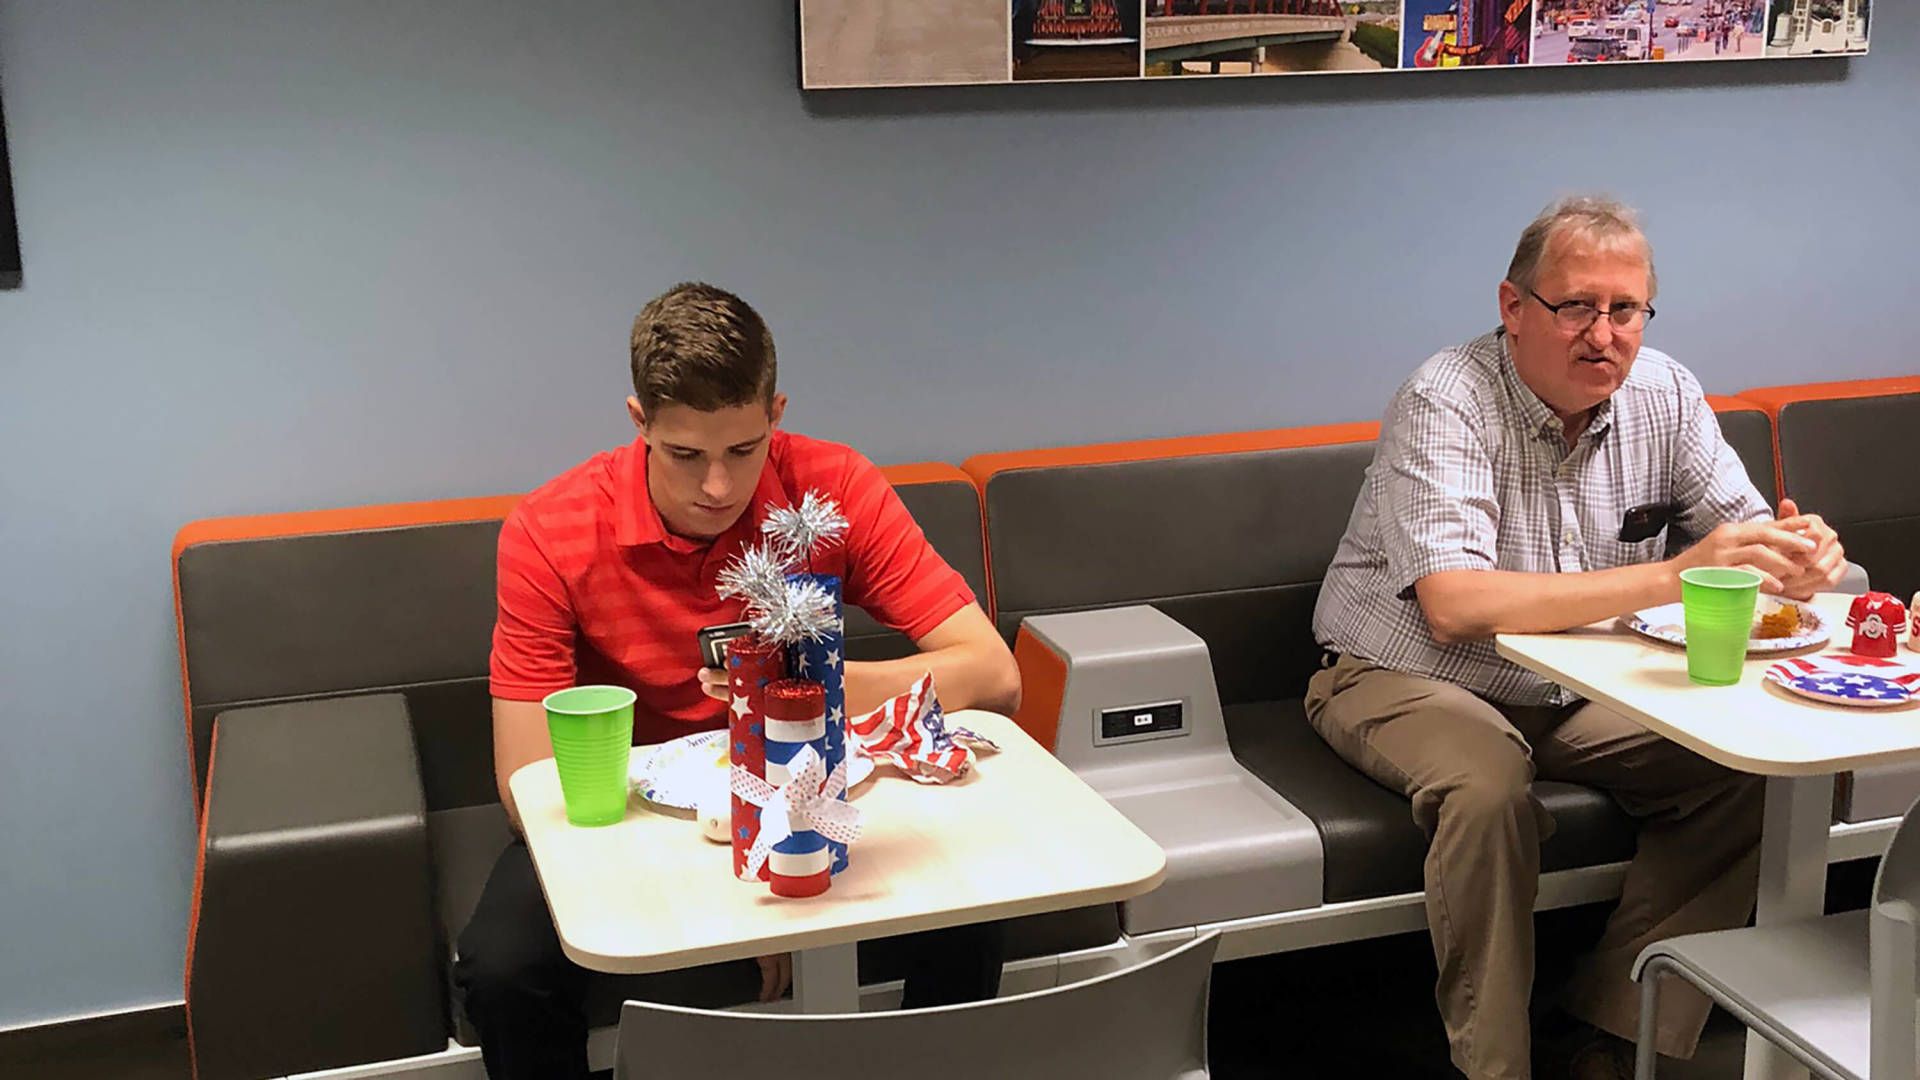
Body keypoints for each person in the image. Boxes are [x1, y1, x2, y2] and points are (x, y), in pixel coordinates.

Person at [1307, 196, 1847, 1080]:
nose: (1604, 335)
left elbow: (1742, 538)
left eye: (1624, 309)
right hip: (1403, 670)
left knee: (1762, 773)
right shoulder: (1447, 398)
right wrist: (1678, 573)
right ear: (1514, 309)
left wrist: (1794, 558)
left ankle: (1616, 1026)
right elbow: (1455, 605)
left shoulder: (1664, 392)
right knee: (1487, 787)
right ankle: (1496, 1065)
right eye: (1575, 308)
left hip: (1573, 680)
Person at [456, 282, 1023, 1079]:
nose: (718, 487)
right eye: (686, 454)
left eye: (744, 450)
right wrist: (726, 887)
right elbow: (525, 782)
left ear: (776, 413)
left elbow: (993, 676)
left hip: (820, 786)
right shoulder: (551, 531)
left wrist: (802, 681)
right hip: (635, 814)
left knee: (972, 910)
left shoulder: (834, 487)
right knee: (503, 969)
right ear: (639, 422)